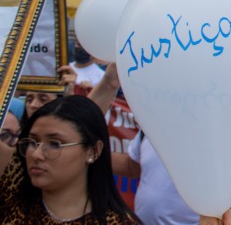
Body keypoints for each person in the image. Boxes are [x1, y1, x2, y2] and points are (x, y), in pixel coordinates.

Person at [0, 95, 141, 223]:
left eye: (55, 144)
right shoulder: (14, 186)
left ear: (93, 151)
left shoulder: (117, 222)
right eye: (32, 142)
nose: (36, 154)